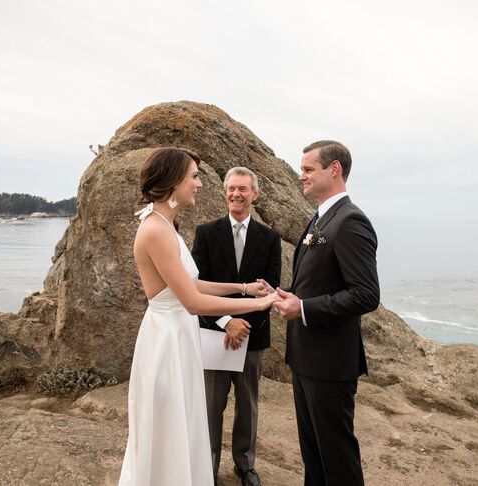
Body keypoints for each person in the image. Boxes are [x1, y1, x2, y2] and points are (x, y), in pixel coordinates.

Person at [118, 147, 281, 486]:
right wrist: (257, 305)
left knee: (184, 420)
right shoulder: (155, 230)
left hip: (179, 335)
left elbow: (193, 283)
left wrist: (245, 288)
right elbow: (192, 301)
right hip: (167, 341)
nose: (200, 184)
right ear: (174, 180)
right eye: (194, 176)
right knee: (169, 423)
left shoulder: (165, 224)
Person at [273, 140, 380, 486]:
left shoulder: (350, 221)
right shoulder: (320, 217)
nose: (300, 175)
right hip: (306, 358)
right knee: (314, 458)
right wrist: (290, 295)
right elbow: (321, 281)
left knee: (337, 460)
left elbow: (366, 294)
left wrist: (303, 308)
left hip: (331, 363)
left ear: (334, 170)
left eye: (308, 169)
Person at [191, 167, 281, 486]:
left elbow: (270, 289)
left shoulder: (269, 239)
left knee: (248, 405)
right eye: (231, 188)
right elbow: (196, 286)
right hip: (214, 334)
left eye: (243, 189)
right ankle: (207, 467)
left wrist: (243, 325)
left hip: (253, 337)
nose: (235, 194)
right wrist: (227, 322)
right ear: (224, 192)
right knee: (211, 407)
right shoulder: (205, 233)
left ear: (254, 194)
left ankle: (245, 466)